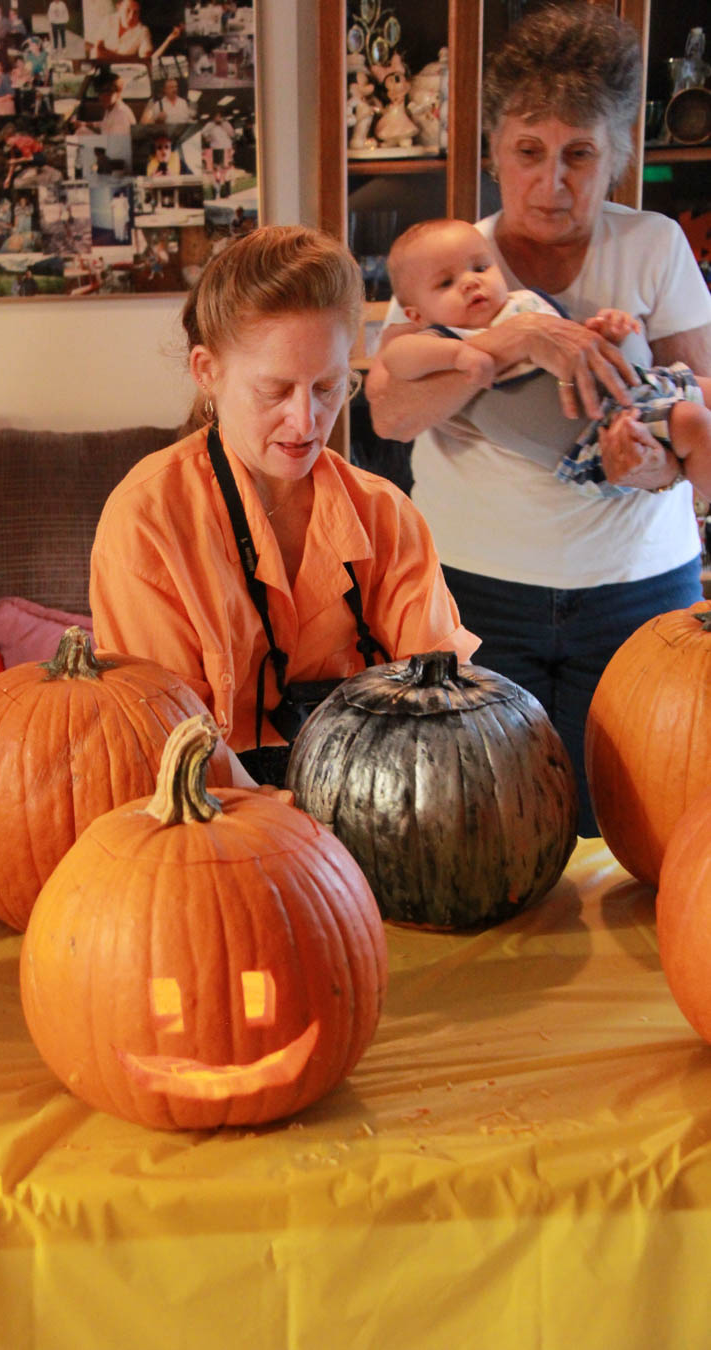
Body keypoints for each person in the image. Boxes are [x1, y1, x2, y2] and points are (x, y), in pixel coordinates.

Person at [365, 3, 711, 836]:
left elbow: (697, 393)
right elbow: (390, 410)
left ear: (619, 154)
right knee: (485, 826)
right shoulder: (444, 260)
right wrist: (514, 338)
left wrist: (657, 465)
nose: (552, 182)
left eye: (579, 155)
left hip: (639, 594)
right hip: (474, 593)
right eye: (529, 152)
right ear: (493, 152)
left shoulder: (655, 244)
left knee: (636, 824)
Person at [90, 225, 478, 788]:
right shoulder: (148, 520)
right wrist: (296, 834)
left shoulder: (387, 518)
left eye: (327, 388)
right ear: (207, 373)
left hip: (376, 811)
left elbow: (445, 704)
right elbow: (170, 745)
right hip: (212, 825)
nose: (305, 423)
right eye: (274, 391)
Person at [383, 218, 711, 499]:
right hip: (598, 443)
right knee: (692, 423)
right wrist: (461, 355)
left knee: (706, 390)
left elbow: (574, 346)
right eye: (446, 282)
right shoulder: (443, 337)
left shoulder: (522, 305)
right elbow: (398, 358)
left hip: (633, 392)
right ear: (417, 314)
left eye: (481, 267)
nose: (471, 282)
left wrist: (605, 331)